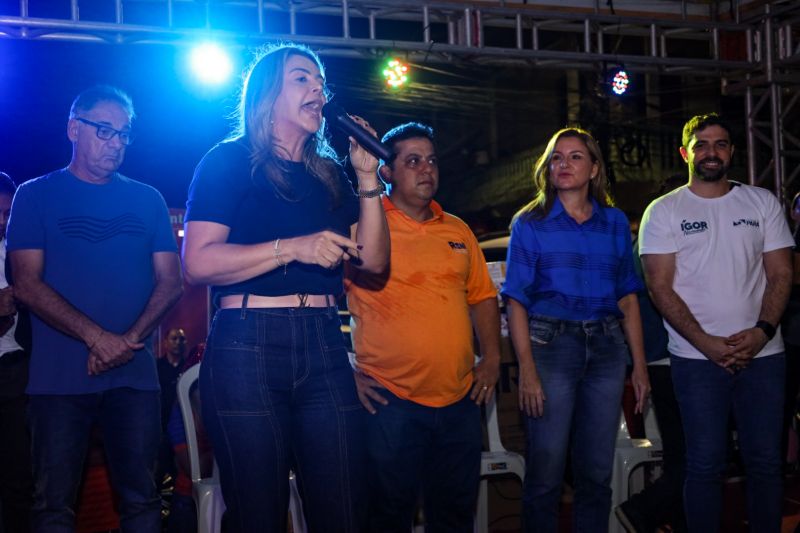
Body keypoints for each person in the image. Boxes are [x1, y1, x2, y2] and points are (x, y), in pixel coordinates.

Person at [182, 42, 389, 532]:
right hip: (246, 344)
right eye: (302, 78)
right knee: (258, 512)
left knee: (343, 506)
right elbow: (197, 261)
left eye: (320, 80)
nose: (318, 87)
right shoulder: (228, 162)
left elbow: (375, 261)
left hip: (323, 344)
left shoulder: (329, 175)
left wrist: (367, 178)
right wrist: (291, 248)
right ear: (266, 96)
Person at [6, 85, 184, 533]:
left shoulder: (147, 199)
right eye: (105, 131)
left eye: (124, 135)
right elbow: (26, 283)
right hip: (58, 380)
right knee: (52, 506)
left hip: (135, 376)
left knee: (143, 501)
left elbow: (171, 281)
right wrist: (98, 338)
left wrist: (126, 342)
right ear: (73, 128)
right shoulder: (34, 195)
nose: (116, 143)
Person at [639, 113, 793, 533]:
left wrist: (762, 333)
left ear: (731, 152)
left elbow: (781, 274)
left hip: (764, 357)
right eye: (702, 145)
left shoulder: (761, 202)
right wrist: (706, 343)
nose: (711, 152)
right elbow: (660, 288)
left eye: (721, 144)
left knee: (764, 463)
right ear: (685, 152)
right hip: (695, 359)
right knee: (704, 465)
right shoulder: (663, 210)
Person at [345, 122, 501, 531]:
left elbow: (483, 296)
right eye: (412, 161)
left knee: (453, 517)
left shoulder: (458, 229)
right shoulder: (366, 227)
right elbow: (322, 302)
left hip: (459, 401)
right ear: (387, 171)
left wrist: (493, 359)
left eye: (431, 160)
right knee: (387, 516)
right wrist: (348, 372)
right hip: (389, 401)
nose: (426, 169)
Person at [502, 126, 650, 533]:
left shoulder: (616, 222)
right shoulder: (529, 223)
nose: (563, 164)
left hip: (607, 349)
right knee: (547, 471)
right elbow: (515, 300)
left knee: (596, 471)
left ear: (595, 168)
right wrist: (527, 370)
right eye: (556, 157)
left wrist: (639, 365)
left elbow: (627, 298)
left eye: (575, 157)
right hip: (551, 347)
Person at [615, 174, 688, 533]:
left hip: (668, 356)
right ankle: (643, 510)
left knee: (684, 452)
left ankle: (673, 519)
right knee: (697, 454)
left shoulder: (653, 233)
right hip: (669, 356)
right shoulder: (657, 233)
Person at [0, 171, 33, 533]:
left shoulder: (18, 250)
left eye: (9, 213)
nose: (2, 220)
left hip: (16, 370)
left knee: (19, 479)